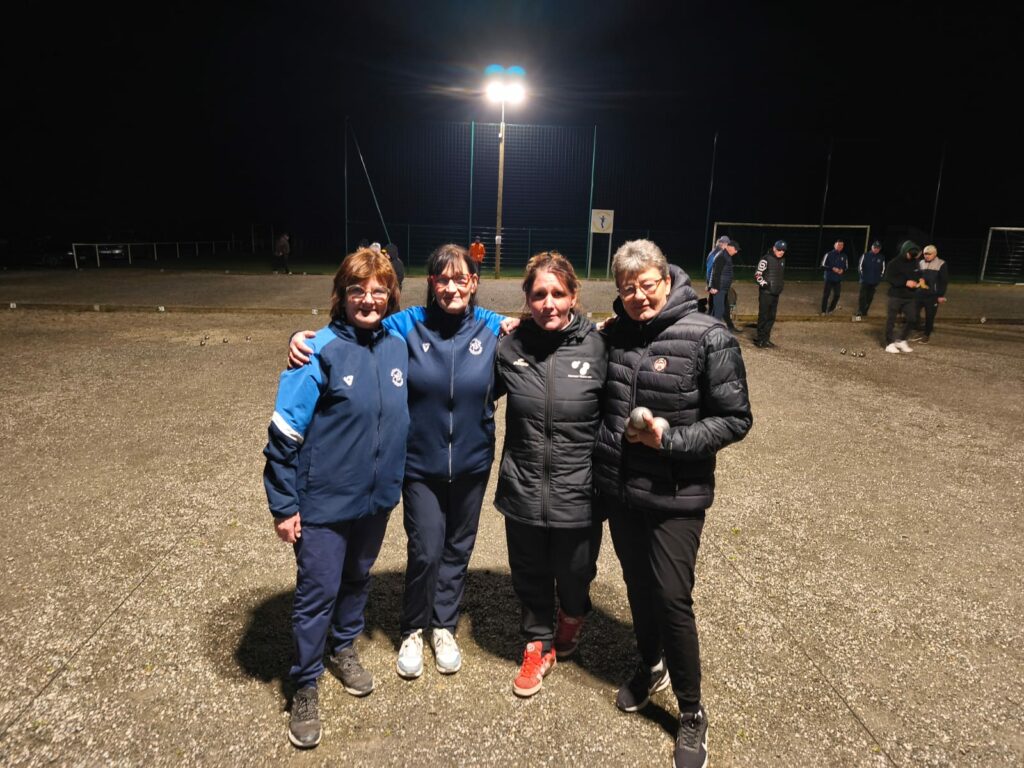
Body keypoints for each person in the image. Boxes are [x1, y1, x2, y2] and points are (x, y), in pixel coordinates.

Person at [288, 243, 505, 682]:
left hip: (472, 462)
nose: (451, 288)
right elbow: (355, 324)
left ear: (474, 283)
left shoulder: (492, 327)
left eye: (460, 279)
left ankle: (443, 626)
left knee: (458, 548)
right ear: (431, 283)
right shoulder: (406, 324)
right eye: (442, 279)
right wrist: (301, 338)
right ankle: (413, 628)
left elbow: (544, 329)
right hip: (420, 464)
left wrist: (601, 327)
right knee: (426, 548)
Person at [592, 239, 752, 768]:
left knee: (671, 597)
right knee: (639, 588)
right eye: (627, 289)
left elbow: (735, 419)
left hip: (676, 495)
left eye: (646, 285)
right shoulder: (615, 334)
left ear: (666, 279)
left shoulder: (709, 335)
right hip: (623, 492)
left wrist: (672, 440)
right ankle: (650, 663)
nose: (638, 296)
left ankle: (691, 709)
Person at [263, 248, 408, 749]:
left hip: (375, 500)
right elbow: (283, 436)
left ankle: (343, 648)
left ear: (390, 296)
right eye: (357, 291)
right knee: (317, 593)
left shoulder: (397, 344)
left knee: (357, 578)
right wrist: (284, 505)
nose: (368, 300)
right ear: (341, 296)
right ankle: (304, 682)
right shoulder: (317, 350)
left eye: (378, 291)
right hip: (323, 503)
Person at [493, 251, 608, 698]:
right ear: (527, 299)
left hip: (579, 492)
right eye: (539, 294)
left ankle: (573, 615)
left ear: (574, 295)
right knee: (529, 573)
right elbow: (460, 376)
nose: (549, 303)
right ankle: (537, 644)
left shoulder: (599, 345)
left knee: (576, 573)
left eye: (558, 293)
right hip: (522, 488)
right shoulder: (510, 346)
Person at [883, 240, 922, 353]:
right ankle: (889, 343)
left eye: (914, 255)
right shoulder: (894, 263)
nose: (911, 257)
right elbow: (889, 278)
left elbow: (918, 273)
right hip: (896, 296)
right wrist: (905, 282)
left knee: (912, 319)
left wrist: (920, 280)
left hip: (910, 296)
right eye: (910, 254)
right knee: (891, 320)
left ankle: (901, 340)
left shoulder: (915, 262)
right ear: (904, 251)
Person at [911, 244, 948, 343]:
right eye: (925, 254)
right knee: (913, 313)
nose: (926, 256)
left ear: (935, 254)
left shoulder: (941, 264)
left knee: (930, 316)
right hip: (919, 293)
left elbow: (944, 281)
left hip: (932, 295)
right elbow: (917, 276)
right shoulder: (921, 263)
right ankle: (920, 329)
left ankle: (926, 334)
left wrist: (940, 295)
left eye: (929, 254)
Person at [754, 239, 786, 348]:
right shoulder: (765, 259)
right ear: (774, 248)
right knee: (763, 316)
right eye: (779, 249)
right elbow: (757, 275)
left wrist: (780, 286)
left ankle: (766, 339)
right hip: (766, 293)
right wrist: (764, 284)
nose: (781, 252)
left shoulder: (782, 260)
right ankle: (760, 339)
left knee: (771, 317)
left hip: (776, 293)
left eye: (783, 250)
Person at [854, 240, 885, 321]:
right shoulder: (865, 255)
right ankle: (860, 311)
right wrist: (863, 277)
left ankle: (865, 311)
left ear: (880, 249)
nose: (876, 249)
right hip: (865, 281)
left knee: (870, 297)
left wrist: (879, 278)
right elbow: (860, 267)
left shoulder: (881, 257)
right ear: (872, 247)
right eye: (875, 247)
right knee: (862, 296)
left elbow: (883, 269)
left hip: (874, 282)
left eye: (878, 248)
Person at [708, 238, 736, 325]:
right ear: (729, 247)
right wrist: (713, 286)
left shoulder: (726, 256)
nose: (736, 252)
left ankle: (711, 327)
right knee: (719, 310)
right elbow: (715, 272)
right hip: (719, 287)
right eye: (735, 249)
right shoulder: (721, 255)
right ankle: (715, 329)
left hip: (722, 287)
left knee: (718, 309)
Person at [820, 239, 848, 315]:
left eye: (842, 245)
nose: (840, 246)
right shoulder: (828, 254)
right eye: (838, 245)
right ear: (835, 245)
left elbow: (846, 267)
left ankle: (831, 309)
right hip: (829, 278)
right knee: (826, 295)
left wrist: (842, 270)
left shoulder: (844, 256)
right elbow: (822, 266)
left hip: (838, 279)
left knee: (837, 295)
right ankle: (823, 311)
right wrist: (832, 268)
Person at [704, 235, 730, 314]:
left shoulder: (718, 252)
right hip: (715, 284)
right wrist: (711, 285)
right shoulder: (716, 253)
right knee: (716, 306)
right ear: (723, 244)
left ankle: (712, 318)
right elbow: (710, 270)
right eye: (727, 244)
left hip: (716, 283)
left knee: (715, 305)